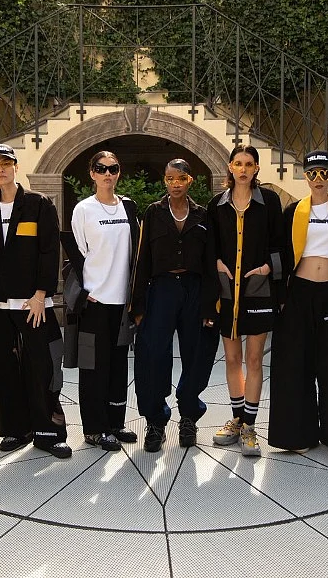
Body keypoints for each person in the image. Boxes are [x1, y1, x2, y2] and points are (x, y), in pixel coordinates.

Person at [269, 150, 328, 464]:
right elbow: (281, 254)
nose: (318, 178)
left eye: (324, 172)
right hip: (299, 293)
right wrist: (281, 298)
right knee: (295, 364)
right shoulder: (293, 211)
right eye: (313, 173)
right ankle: (298, 435)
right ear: (306, 176)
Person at [0, 143, 71, 459]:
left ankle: (49, 433)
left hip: (33, 304)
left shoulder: (39, 204)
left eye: (6, 163)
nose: (0, 169)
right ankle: (15, 430)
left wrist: (42, 294)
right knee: (0, 369)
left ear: (16, 167)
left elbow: (49, 250)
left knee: (42, 368)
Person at [130, 159, 219, 452]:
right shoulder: (153, 213)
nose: (176, 183)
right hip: (162, 289)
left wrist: (210, 306)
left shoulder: (203, 215)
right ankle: (156, 421)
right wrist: (138, 306)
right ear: (165, 181)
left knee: (197, 354)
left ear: (190, 180)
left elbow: (209, 263)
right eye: (170, 179)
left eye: (181, 178)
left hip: (194, 289)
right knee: (154, 355)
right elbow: (142, 259)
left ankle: (189, 417)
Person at [206, 144, 284, 457]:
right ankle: (237, 419)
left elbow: (281, 244)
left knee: (253, 359)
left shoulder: (269, 202)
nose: (243, 169)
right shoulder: (217, 205)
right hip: (228, 292)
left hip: (258, 289)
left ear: (256, 169)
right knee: (232, 359)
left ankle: (250, 426)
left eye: (249, 164)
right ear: (230, 167)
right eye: (238, 163)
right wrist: (216, 263)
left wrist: (267, 268)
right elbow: (210, 245)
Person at [69, 151, 139, 452]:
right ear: (92, 174)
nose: (107, 174)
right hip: (95, 302)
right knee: (93, 368)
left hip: (122, 303)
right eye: (101, 169)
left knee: (118, 367)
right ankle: (95, 429)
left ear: (118, 172)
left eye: (113, 168)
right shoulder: (83, 209)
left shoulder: (128, 207)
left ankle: (115, 423)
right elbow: (77, 255)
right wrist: (86, 292)